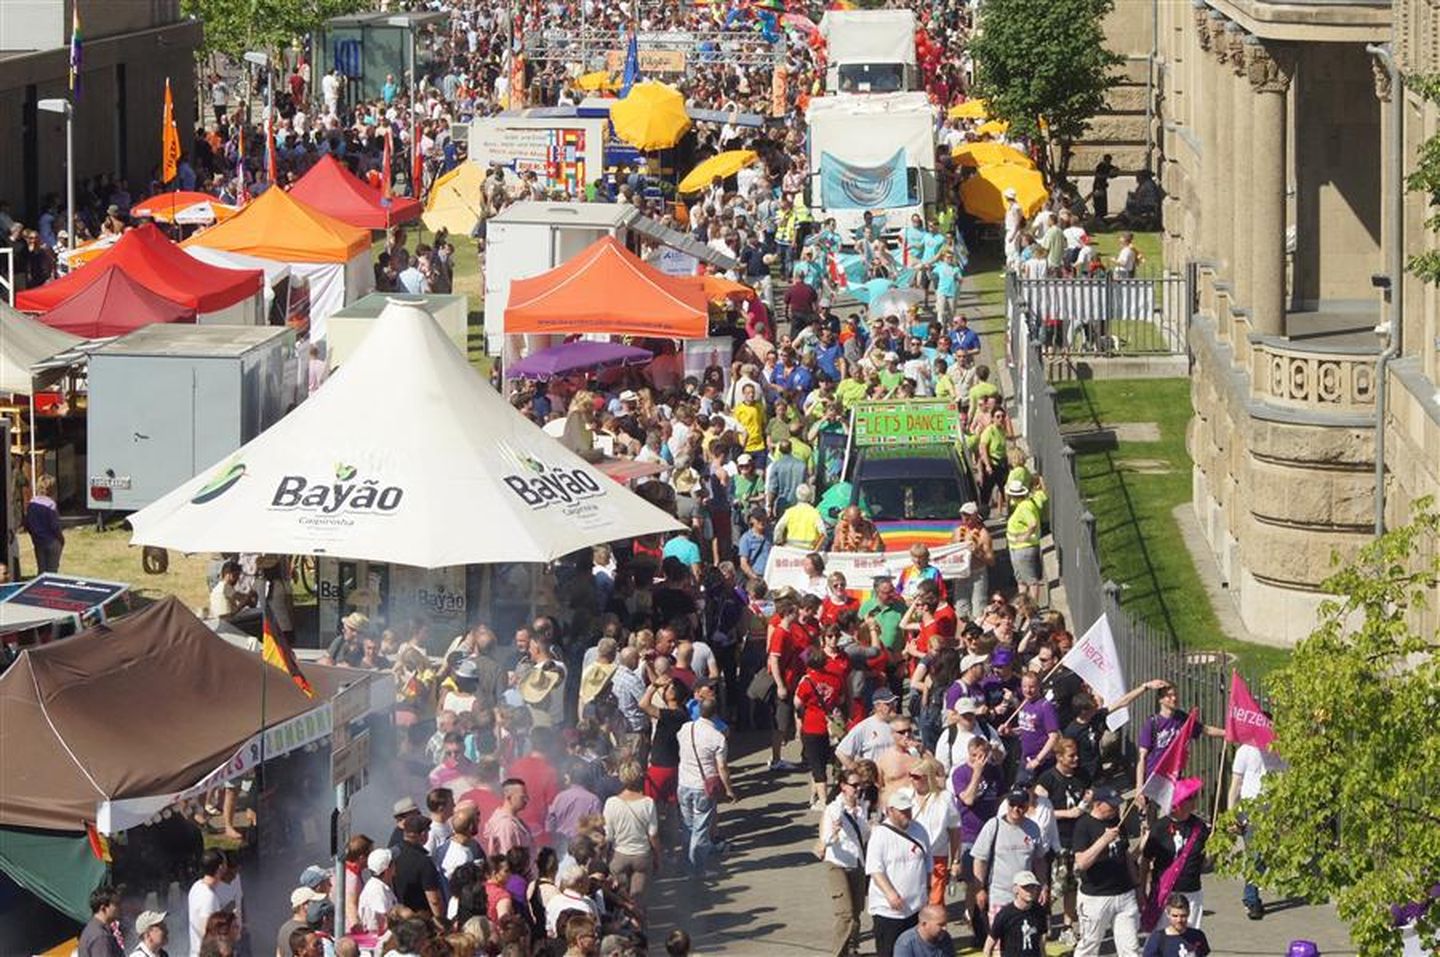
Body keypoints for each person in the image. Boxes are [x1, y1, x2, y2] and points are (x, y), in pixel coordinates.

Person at [1072, 787, 1142, 957]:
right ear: (1098, 804)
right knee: (1089, 945)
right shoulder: (1084, 825)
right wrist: (1104, 840)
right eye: (1111, 806)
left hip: (1124, 894)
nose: (1116, 809)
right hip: (1096, 897)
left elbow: (1125, 855)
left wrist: (1137, 883)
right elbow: (1081, 863)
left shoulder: (1118, 821)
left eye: (1117, 805)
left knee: (1130, 947)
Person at [972, 787, 1049, 934]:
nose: (1016, 809)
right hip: (999, 895)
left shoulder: (1033, 828)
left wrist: (1043, 885)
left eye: (1020, 806)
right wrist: (979, 889)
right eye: (1012, 804)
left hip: (1025, 896)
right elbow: (980, 860)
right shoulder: (993, 826)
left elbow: (1039, 860)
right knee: (998, 941)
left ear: (1027, 806)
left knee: (1022, 938)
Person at [865, 785, 930, 957]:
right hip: (888, 910)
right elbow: (874, 869)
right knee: (888, 952)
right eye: (902, 811)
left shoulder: (920, 830)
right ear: (890, 811)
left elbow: (927, 864)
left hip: (915, 908)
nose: (907, 815)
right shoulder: (880, 835)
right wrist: (891, 894)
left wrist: (927, 894)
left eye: (908, 810)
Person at [1228, 728, 1285, 920]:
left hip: (1272, 809)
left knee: (1267, 854)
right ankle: (1251, 899)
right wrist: (1231, 814)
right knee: (1255, 854)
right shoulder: (1245, 750)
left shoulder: (1278, 749)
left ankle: (1250, 894)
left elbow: (1284, 779)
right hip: (1250, 809)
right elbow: (1235, 784)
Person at [1139, 777, 1209, 929]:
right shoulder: (1159, 828)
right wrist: (1141, 891)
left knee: (1189, 939)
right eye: (1190, 798)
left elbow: (1206, 862)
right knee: (1164, 937)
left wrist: (1216, 850)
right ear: (1178, 803)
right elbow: (1145, 861)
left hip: (1192, 892)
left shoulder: (1200, 827)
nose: (1195, 800)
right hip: (1165, 893)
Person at [676, 696, 735, 875]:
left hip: (683, 783)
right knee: (701, 828)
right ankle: (697, 869)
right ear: (715, 713)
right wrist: (729, 790)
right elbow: (722, 767)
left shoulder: (686, 729)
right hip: (703, 787)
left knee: (688, 825)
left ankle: (686, 860)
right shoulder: (717, 737)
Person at [820, 769, 871, 957]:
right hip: (837, 864)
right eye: (854, 785)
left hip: (857, 862)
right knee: (845, 914)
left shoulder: (861, 808)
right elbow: (825, 840)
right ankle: (837, 953)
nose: (858, 789)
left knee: (857, 911)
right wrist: (834, 832)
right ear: (843, 786)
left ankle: (852, 948)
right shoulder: (834, 809)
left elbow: (865, 836)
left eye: (860, 785)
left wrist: (869, 825)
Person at [604, 760, 661, 915]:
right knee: (638, 900)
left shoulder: (611, 803)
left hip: (619, 855)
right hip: (642, 856)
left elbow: (608, 835)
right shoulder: (648, 803)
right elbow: (653, 835)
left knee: (621, 900)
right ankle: (639, 930)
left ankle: (623, 931)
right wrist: (657, 856)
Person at [392, 813, 445, 918]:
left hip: (399, 916)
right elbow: (434, 899)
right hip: (420, 920)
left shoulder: (393, 855)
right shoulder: (424, 862)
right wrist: (440, 919)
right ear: (423, 834)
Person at [984, 871, 1047, 957]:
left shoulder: (1039, 911)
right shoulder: (1005, 914)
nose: (1030, 891)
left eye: (1033, 887)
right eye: (1025, 887)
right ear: (1015, 889)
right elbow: (989, 945)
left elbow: (1041, 942)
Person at [188, 849, 232, 956]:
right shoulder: (208, 897)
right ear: (221, 867)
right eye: (225, 863)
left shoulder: (196, 886)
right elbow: (207, 930)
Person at [1141, 893, 1212, 957]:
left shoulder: (1198, 936)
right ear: (1167, 914)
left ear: (1189, 913)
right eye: (1175, 916)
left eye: (1183, 916)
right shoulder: (1157, 939)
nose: (1179, 920)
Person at [25, 473, 64, 573]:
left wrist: (33, 535)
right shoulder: (51, 504)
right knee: (52, 571)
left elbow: (28, 523)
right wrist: (61, 539)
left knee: (41, 570)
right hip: (51, 541)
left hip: (38, 541)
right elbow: (55, 526)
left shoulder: (32, 502)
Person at [357, 848, 397, 933]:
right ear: (387, 871)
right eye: (393, 863)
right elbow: (383, 921)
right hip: (378, 942)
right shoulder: (376, 891)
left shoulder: (381, 886)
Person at [79, 886, 123, 957]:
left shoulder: (93, 929)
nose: (120, 907)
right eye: (116, 904)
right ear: (103, 908)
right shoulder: (100, 936)